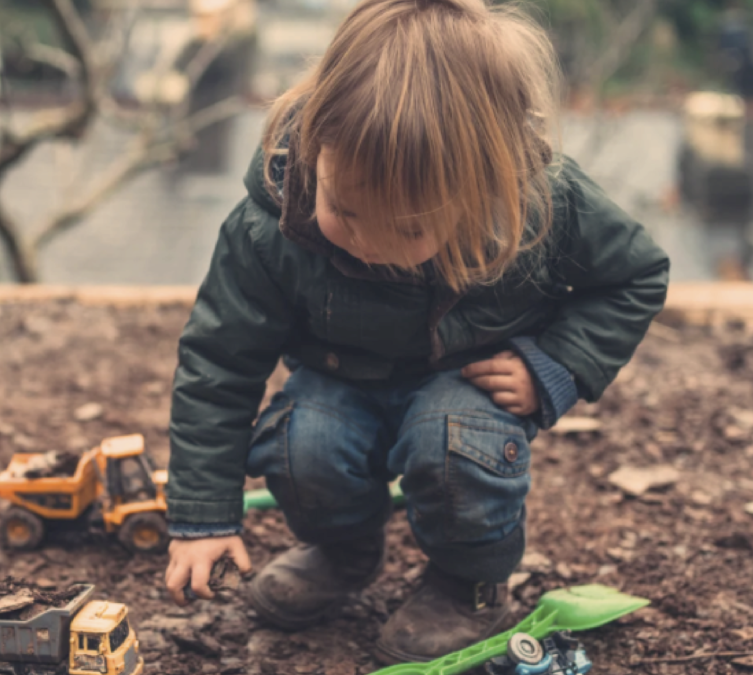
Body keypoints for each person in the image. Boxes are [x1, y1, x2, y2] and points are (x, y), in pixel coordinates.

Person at [162, 0, 670, 664]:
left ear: (481, 187)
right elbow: (218, 361)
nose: (368, 244)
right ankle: (343, 550)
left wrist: (556, 363)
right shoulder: (270, 221)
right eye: (344, 209)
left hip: (467, 383)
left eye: (406, 229)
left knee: (454, 441)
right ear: (317, 139)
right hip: (342, 376)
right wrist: (202, 516)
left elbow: (636, 275)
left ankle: (469, 584)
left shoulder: (543, 201)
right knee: (302, 439)